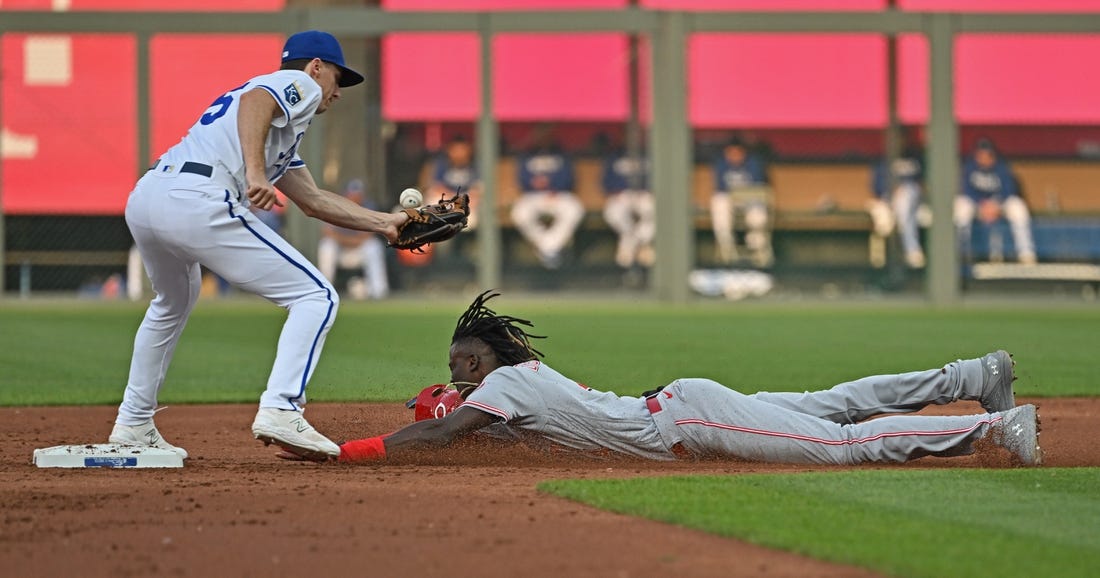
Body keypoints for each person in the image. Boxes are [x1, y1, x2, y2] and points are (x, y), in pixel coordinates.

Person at [111, 30, 409, 462]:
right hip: (198, 197)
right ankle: (282, 407)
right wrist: (253, 173)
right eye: (338, 79)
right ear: (316, 67)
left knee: (171, 302)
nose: (337, 91)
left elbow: (314, 201)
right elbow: (258, 101)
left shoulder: (280, 135)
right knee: (316, 295)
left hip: (150, 196)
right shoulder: (299, 86)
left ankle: (133, 421)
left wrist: (386, 224)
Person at [336, 292, 1041, 467]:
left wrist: (355, 451)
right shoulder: (516, 383)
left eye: (461, 362)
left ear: (480, 362)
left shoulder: (504, 390)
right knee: (840, 404)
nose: (453, 371)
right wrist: (441, 407)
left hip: (686, 421)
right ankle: (977, 373)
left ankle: (990, 424)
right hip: (685, 403)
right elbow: (468, 426)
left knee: (839, 444)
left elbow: (451, 432)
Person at [955, 138, 1037, 265]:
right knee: (961, 207)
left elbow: (1009, 190)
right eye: (980, 154)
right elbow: (966, 191)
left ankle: (1026, 253)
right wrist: (982, 205)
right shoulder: (970, 167)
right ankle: (961, 253)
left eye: (987, 154)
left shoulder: (1001, 167)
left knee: (1018, 207)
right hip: (977, 205)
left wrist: (995, 205)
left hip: (998, 204)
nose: (983, 157)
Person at [510, 130, 583, 269]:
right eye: (540, 134)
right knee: (519, 213)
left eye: (546, 134)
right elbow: (522, 179)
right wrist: (534, 182)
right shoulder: (527, 155)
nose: (543, 138)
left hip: (559, 195)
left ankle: (546, 248)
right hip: (534, 195)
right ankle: (549, 248)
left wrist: (553, 184)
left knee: (575, 209)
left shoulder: (561, 154)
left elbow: (570, 178)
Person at [317, 179, 389, 300]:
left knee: (374, 246)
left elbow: (367, 236)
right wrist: (351, 240)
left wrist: (343, 239)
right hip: (340, 252)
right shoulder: (336, 207)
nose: (355, 197)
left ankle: (378, 291)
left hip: (359, 251)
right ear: (346, 195)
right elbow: (327, 233)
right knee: (327, 245)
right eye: (352, 194)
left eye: (358, 194)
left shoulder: (368, 207)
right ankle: (325, 291)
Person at [711, 138, 773, 267]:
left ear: (743, 152)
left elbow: (758, 187)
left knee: (757, 212)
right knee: (719, 202)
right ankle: (726, 247)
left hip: (750, 202)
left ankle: (757, 252)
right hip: (731, 202)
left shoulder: (753, 163)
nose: (734, 156)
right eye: (730, 153)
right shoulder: (721, 164)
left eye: (737, 152)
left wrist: (742, 196)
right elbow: (721, 188)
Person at [869, 147, 926, 269]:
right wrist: (892, 192)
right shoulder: (885, 162)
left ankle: (910, 252)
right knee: (897, 215)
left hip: (915, 204)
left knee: (905, 201)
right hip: (890, 203)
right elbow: (876, 189)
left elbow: (924, 183)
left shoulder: (915, 159)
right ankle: (911, 251)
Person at [601, 146, 655, 271]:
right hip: (621, 195)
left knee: (656, 211)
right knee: (613, 213)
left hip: (645, 195)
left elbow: (659, 178)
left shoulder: (650, 153)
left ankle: (628, 247)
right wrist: (617, 191)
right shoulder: (614, 156)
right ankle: (642, 246)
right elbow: (605, 182)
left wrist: (647, 191)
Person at [428, 135, 481, 231]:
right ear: (449, 151)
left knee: (469, 218)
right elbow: (437, 188)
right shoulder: (442, 165)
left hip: (468, 204)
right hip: (447, 202)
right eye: (455, 149)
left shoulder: (475, 166)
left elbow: (477, 190)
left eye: (462, 149)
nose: (459, 153)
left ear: (469, 150)